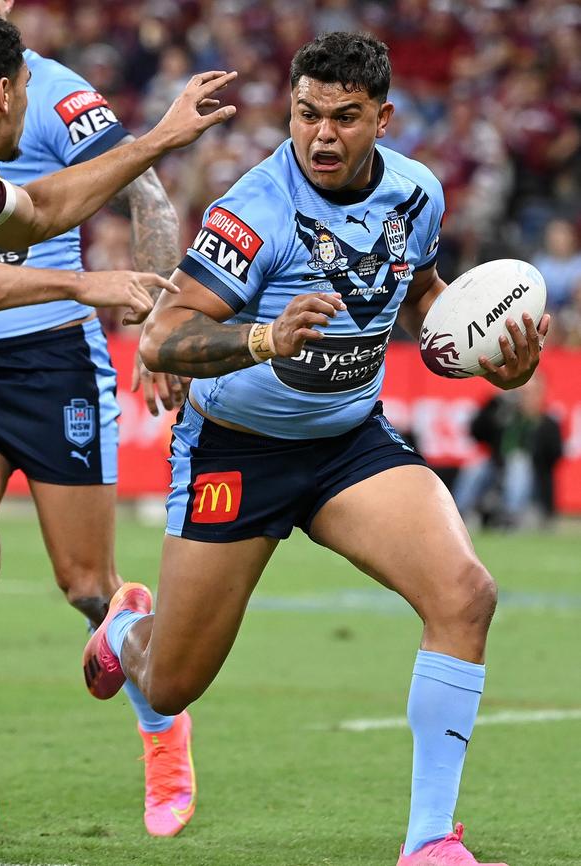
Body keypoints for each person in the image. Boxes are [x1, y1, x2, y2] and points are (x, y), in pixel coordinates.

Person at [84, 32, 548, 866]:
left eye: (344, 118)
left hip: (348, 444)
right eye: (306, 115)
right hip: (238, 449)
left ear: (384, 118)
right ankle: (127, 634)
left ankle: (430, 843)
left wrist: (496, 359)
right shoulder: (255, 210)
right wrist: (263, 339)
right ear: (289, 111)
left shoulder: (416, 193)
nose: (321, 136)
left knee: (465, 596)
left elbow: (420, 298)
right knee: (173, 683)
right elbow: (164, 338)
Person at [0, 10, 235, 864]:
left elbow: (42, 208)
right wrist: (77, 281)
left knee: (21, 568)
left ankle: (155, 709)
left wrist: (159, 139)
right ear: (2, 93)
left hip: (49, 366)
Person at [453, 375, 563, 529]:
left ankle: (511, 516)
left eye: (530, 393)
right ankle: (458, 513)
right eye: (522, 393)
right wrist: (494, 401)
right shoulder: (506, 418)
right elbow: (476, 431)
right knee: (476, 466)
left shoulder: (548, 423)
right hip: (498, 470)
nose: (525, 398)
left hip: (532, 480)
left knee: (519, 463)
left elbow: (554, 457)